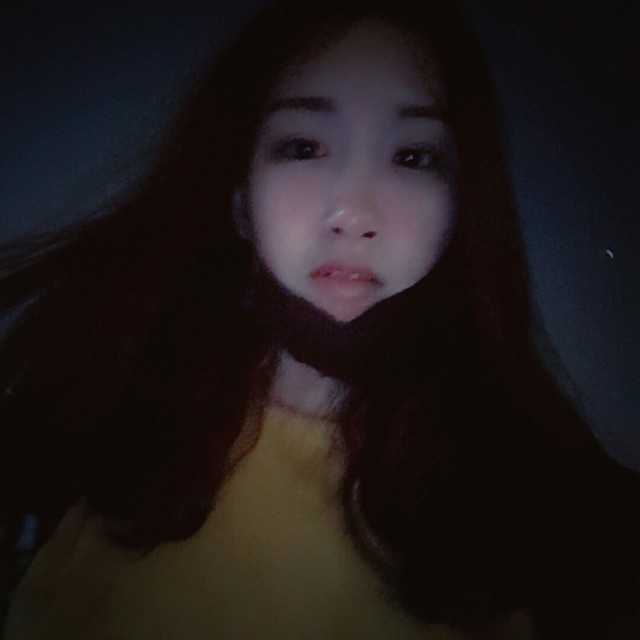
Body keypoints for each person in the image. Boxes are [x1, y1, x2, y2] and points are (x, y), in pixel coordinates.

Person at [0, 0, 638, 638]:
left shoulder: (539, 501)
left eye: (413, 157)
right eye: (303, 147)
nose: (353, 215)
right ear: (240, 202)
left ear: (459, 211)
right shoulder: (113, 404)